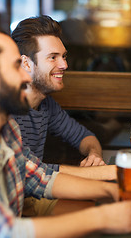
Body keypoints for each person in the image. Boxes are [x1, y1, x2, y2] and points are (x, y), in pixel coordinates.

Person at [0, 22, 131, 238]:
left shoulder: (6, 128)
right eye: (16, 66)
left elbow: (38, 177)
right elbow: (2, 231)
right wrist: (103, 217)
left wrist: (112, 190)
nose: (25, 76)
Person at [11, 15, 105, 169]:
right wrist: (104, 173)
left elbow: (85, 137)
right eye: (53, 57)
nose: (64, 65)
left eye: (64, 56)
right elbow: (29, 174)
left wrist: (94, 154)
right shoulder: (7, 109)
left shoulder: (46, 104)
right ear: (26, 63)